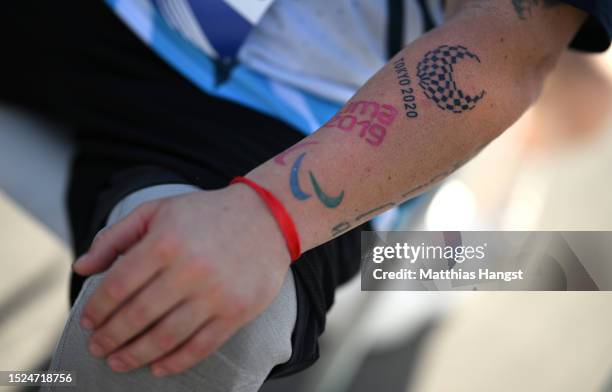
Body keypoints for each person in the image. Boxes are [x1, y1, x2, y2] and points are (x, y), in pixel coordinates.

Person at [7, 0, 605, 390]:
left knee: (199, 330)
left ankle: (460, 232)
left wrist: (271, 217)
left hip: (288, 103)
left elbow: (510, 50)